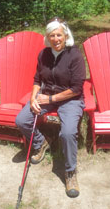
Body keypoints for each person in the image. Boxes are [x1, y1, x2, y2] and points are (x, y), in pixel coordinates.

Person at [15, 17, 86, 198]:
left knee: (68, 133)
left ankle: (70, 172)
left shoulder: (75, 55)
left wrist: (51, 98)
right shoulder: (44, 54)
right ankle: (41, 142)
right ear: (48, 37)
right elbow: (38, 79)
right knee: (22, 120)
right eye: (52, 35)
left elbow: (77, 88)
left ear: (65, 35)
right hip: (46, 95)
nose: (56, 39)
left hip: (70, 99)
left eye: (59, 35)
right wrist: (33, 98)